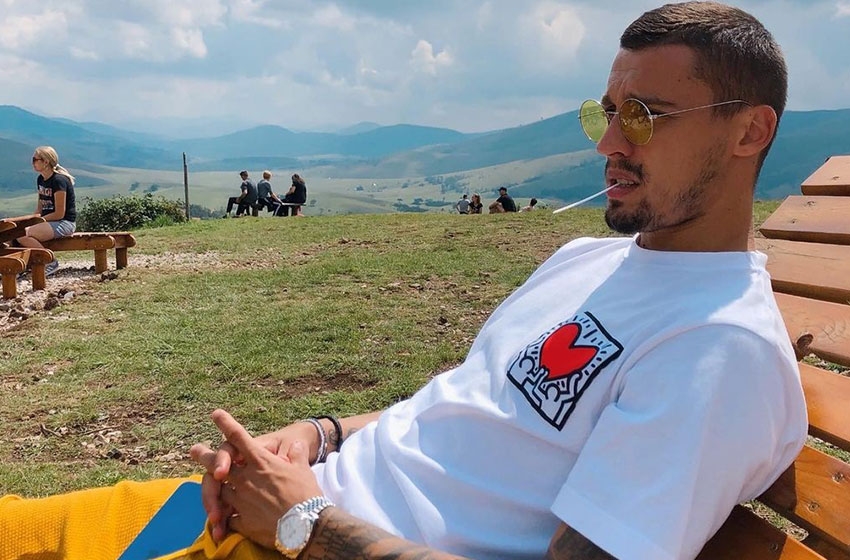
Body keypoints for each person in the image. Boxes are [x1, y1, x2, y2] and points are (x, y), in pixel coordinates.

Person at [0, 3, 808, 559]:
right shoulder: (586, 260)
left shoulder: (718, 351)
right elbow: (468, 404)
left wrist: (305, 523)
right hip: (271, 509)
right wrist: (320, 434)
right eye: (604, 113)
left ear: (750, 131)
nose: (608, 146)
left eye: (644, 117)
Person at [15, 146, 77, 276]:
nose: (32, 163)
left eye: (35, 159)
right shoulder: (41, 179)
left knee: (22, 234)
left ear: (46, 162)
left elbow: (59, 213)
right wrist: (28, 221)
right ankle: (20, 266)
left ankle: (50, 261)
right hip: (48, 222)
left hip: (64, 223)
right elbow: (40, 209)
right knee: (13, 233)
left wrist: (38, 221)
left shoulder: (59, 181)